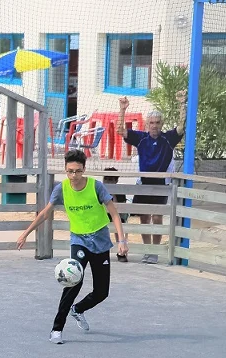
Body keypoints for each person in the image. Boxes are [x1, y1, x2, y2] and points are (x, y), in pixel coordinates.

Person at [16, 149, 128, 344]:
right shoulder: (62, 189)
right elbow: (44, 213)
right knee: (73, 281)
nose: (73, 176)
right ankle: (56, 329)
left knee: (102, 292)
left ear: (84, 169)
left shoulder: (96, 186)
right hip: (79, 241)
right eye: (69, 171)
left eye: (77, 171)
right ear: (65, 170)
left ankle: (77, 309)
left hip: (100, 241)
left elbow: (115, 214)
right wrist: (26, 233)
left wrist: (122, 241)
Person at [118, 91, 186, 263]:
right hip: (144, 181)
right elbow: (121, 130)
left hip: (161, 182)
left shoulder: (168, 139)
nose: (154, 125)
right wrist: (122, 109)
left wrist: (182, 104)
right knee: (143, 217)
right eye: (151, 123)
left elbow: (181, 127)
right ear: (147, 124)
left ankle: (154, 251)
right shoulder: (141, 138)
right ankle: (147, 249)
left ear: (161, 124)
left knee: (157, 216)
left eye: (157, 123)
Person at [102, 168, 130, 263]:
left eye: (111, 179)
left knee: (119, 224)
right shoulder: (99, 189)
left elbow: (119, 209)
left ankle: (121, 251)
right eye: (106, 178)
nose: (107, 181)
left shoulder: (120, 192)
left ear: (116, 180)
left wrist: (113, 194)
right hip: (102, 216)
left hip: (116, 216)